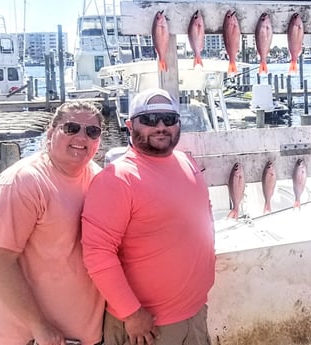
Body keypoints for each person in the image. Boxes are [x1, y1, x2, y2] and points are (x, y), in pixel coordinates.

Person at [81, 88, 215, 345]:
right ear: (130, 125)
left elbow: (203, 214)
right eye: (150, 119)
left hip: (195, 314)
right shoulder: (116, 179)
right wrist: (131, 313)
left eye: (169, 119)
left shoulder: (187, 162)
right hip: (148, 328)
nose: (161, 126)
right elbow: (98, 253)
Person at [0, 101, 105, 345]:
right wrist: (38, 325)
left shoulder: (97, 176)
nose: (81, 137)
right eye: (71, 128)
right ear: (51, 132)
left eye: (91, 131)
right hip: (32, 339)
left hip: (84, 336)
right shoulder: (23, 182)